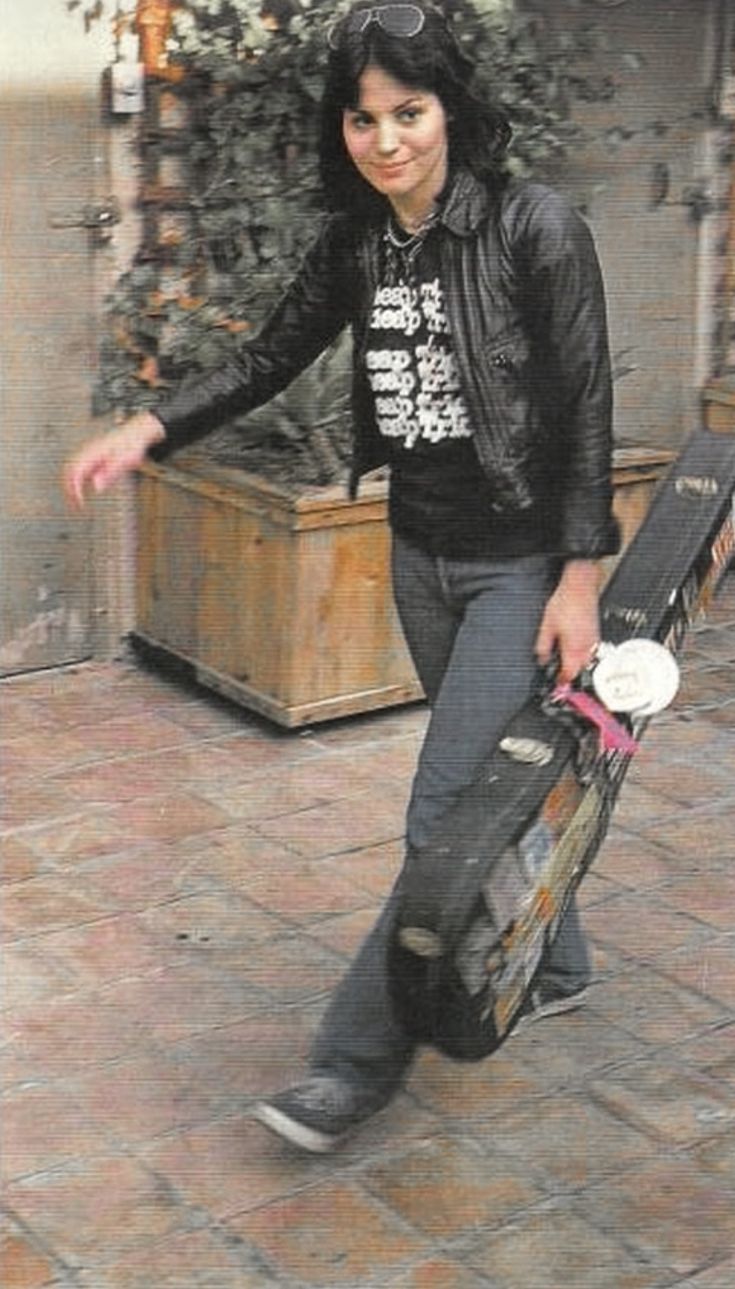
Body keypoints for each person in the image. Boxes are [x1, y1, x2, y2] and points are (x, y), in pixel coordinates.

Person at [64, 0, 619, 1154]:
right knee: (488, 793)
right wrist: (150, 429)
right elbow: (271, 357)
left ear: (451, 110)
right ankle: (557, 959)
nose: (387, 141)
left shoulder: (534, 227)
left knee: (441, 817)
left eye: (408, 112)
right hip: (419, 551)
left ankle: (351, 1066)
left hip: (517, 561)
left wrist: (578, 582)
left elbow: (582, 408)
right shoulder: (357, 243)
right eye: (364, 120)